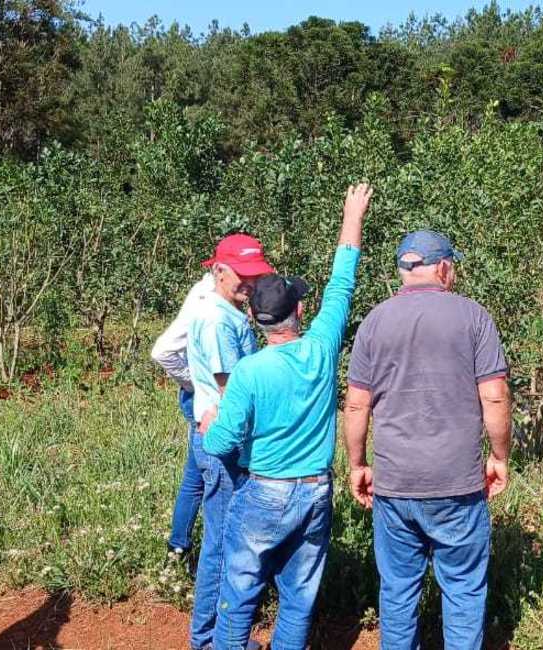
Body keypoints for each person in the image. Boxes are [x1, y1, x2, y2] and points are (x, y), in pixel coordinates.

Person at [203, 183, 373, 650]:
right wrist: (352, 213)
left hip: (263, 492)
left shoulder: (249, 372)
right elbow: (343, 280)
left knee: (239, 593)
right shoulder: (321, 349)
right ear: (299, 311)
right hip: (315, 490)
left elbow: (220, 445)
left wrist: (211, 423)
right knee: (299, 596)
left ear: (257, 319)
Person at [343, 230, 513, 650]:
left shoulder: (374, 321)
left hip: (396, 482)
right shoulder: (474, 317)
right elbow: (494, 394)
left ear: (403, 270)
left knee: (398, 589)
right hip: (457, 482)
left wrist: (357, 465)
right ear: (444, 267)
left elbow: (356, 406)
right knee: (463, 589)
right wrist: (499, 456)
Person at [185, 233, 274, 650]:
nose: (250, 284)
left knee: (225, 537)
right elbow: (230, 392)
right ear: (219, 270)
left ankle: (216, 636)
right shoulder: (219, 320)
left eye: (255, 276)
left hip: (220, 438)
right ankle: (209, 640)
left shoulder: (227, 312)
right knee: (221, 542)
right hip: (222, 443)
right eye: (244, 275)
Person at [151, 270, 214, 567]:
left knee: (195, 476)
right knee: (213, 478)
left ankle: (178, 549)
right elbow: (163, 351)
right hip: (205, 400)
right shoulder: (205, 299)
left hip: (202, 397)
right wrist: (194, 381)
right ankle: (206, 558)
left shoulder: (208, 294)